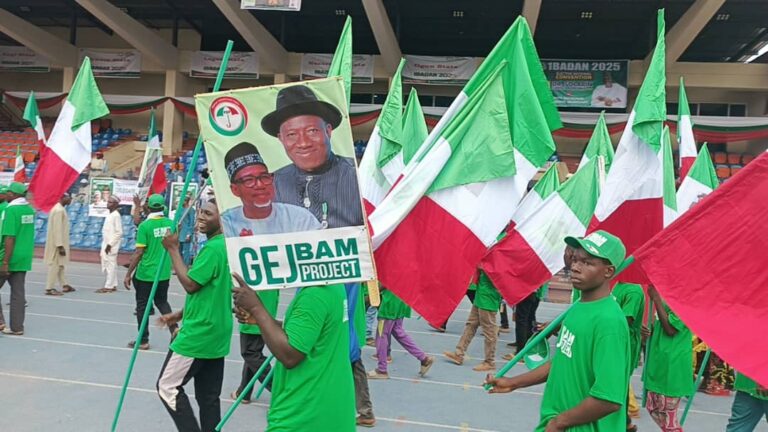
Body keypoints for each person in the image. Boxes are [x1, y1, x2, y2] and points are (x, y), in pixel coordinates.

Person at [486, 230, 631, 431]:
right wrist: (513, 383)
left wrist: (559, 422)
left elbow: (609, 398)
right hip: (558, 422)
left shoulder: (609, 322)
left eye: (587, 263)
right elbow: (563, 361)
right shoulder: (579, 307)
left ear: (608, 271)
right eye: (576, 259)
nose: (576, 267)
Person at [232, 278, 356, 431]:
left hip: (304, 410)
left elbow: (290, 356)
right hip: (328, 404)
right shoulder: (332, 284)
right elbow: (306, 330)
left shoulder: (314, 294)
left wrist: (257, 308)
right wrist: (261, 320)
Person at [156, 199, 233, 432]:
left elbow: (191, 284)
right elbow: (212, 293)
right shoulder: (226, 246)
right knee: (208, 397)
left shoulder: (214, 249)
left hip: (200, 332)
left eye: (208, 214)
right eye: (201, 211)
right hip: (217, 330)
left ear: (222, 220)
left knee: (167, 387)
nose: (200, 216)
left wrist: (172, 249)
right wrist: (178, 314)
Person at [261, 84, 363, 229]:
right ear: (280, 138)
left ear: (328, 131)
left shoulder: (359, 176)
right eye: (291, 135)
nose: (303, 143)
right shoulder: (271, 185)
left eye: (312, 131)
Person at [220, 142, 320, 237]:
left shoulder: (299, 218)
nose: (260, 185)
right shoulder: (226, 224)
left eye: (264, 177)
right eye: (249, 180)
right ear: (235, 189)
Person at [124, 194, 176, 350]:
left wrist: (128, 273)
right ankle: (175, 330)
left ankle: (143, 339)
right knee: (162, 302)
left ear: (148, 207)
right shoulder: (171, 224)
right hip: (163, 272)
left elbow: (139, 252)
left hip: (146, 273)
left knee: (142, 307)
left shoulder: (145, 227)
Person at [642, 285, 693, 432]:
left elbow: (671, 329)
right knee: (652, 406)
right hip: (658, 360)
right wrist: (650, 331)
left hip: (673, 363)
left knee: (669, 417)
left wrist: (656, 298)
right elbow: (661, 323)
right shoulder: (668, 291)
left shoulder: (685, 299)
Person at [367, 288, 435, 380]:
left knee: (381, 335)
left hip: (389, 303)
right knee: (398, 332)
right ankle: (423, 358)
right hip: (400, 299)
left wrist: (371, 296)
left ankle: (382, 369)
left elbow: (384, 283)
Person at [444, 269, 502, 372]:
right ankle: (459, 353)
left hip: (488, 298)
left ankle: (489, 361)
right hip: (480, 295)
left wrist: (482, 267)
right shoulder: (490, 256)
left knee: (489, 331)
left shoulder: (498, 258)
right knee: (471, 324)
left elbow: (498, 276)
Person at [231, 288, 279, 404]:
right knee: (253, 352)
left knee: (251, 353)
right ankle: (244, 392)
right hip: (265, 305)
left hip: (254, 308)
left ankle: (279, 390)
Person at [0, 182, 36, 335]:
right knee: (18, 293)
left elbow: (9, 237)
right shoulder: (29, 210)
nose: (6, 194)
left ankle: (1, 322)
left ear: (14, 195)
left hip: (8, 256)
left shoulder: (11, 210)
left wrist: (5, 262)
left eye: (8, 192)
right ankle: (17, 327)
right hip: (24, 256)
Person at [612, 282, 645, 432]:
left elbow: (626, 321)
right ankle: (625, 422)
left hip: (624, 345)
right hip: (613, 341)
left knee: (619, 384)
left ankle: (625, 423)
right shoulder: (618, 285)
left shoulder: (633, 291)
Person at [43, 193, 74, 296]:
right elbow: (57, 229)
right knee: (55, 265)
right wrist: (60, 245)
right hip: (57, 243)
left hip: (59, 242)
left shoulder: (59, 209)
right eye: (69, 198)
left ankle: (64, 284)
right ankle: (49, 288)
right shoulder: (58, 210)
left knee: (60, 265)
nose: (70, 200)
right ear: (62, 198)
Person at [97, 196, 123, 293]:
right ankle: (113, 284)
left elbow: (119, 232)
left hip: (111, 245)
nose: (108, 204)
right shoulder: (110, 215)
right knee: (110, 264)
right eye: (108, 202)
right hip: (106, 244)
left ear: (116, 204)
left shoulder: (116, 215)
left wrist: (110, 244)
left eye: (111, 202)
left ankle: (108, 286)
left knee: (110, 265)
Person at [178, 195, 196, 266]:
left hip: (186, 233)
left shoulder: (191, 210)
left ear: (186, 201)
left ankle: (185, 266)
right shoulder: (180, 209)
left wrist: (189, 234)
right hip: (179, 232)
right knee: (179, 251)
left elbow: (191, 222)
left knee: (186, 251)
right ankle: (179, 266)